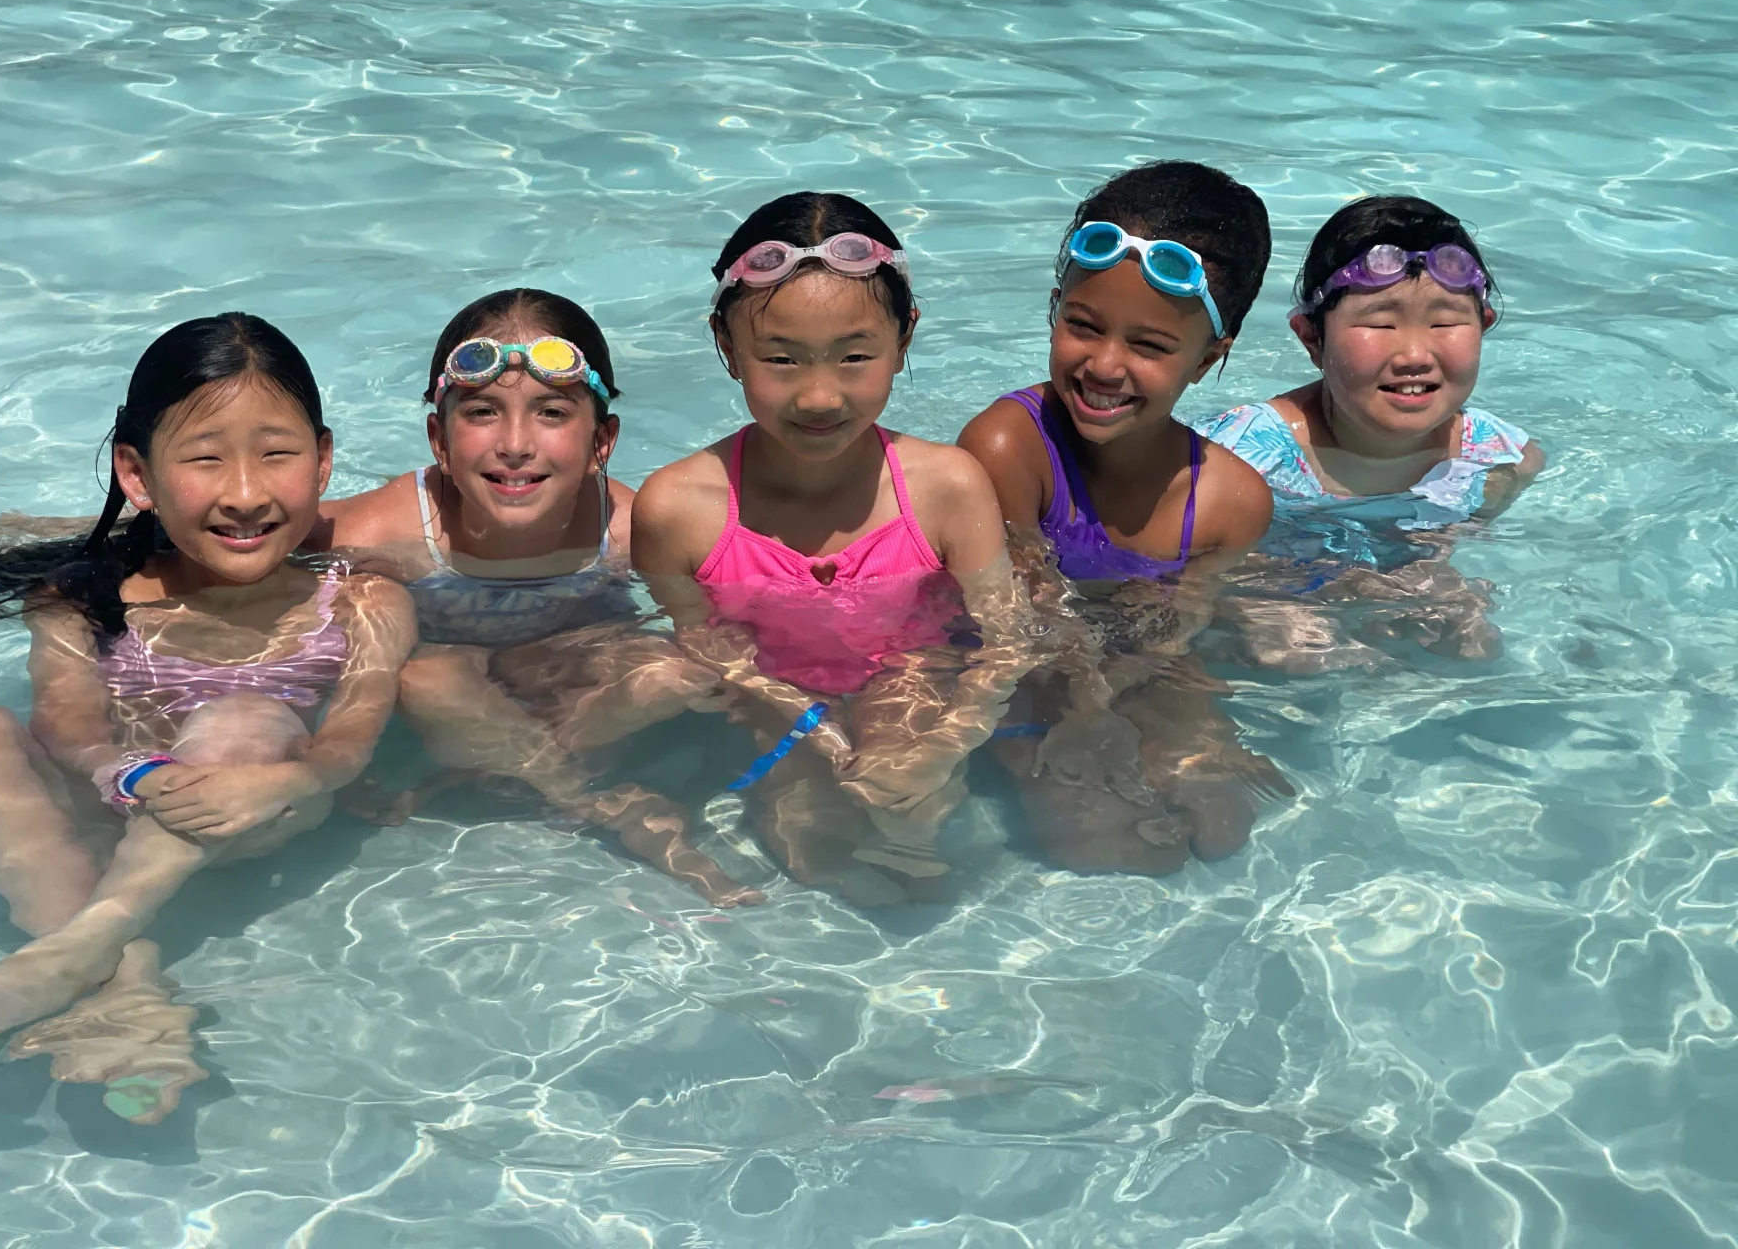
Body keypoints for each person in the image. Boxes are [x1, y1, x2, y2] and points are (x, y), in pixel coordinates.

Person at [0, 314, 416, 1124]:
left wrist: (288, 776)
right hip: (126, 797)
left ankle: (78, 949)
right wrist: (129, 773)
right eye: (205, 459)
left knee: (239, 714)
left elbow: (351, 740)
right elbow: (65, 728)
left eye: (277, 454)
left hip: (259, 805)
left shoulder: (360, 598)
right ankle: (128, 986)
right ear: (138, 475)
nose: (246, 493)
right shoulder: (82, 597)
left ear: (324, 461)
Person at [631, 192, 1032, 906]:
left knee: (916, 837)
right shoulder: (677, 509)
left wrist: (942, 745)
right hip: (778, 706)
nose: (820, 397)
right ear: (728, 350)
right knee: (813, 856)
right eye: (782, 359)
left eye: (854, 357)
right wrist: (806, 726)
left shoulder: (947, 486)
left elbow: (1008, 639)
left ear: (904, 340)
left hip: (911, 681)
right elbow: (707, 650)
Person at [314, 289, 756, 905]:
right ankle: (593, 801)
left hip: (580, 692)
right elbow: (256, 539)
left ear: (602, 441)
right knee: (424, 678)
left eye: (551, 413)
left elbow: (735, 621)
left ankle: (502, 775)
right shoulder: (381, 534)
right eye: (482, 412)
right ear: (439, 439)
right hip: (454, 697)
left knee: (674, 671)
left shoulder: (631, 533)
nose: (516, 443)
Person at [959, 161, 1288, 875]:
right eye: (1083, 325)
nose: (1105, 366)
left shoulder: (1231, 504)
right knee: (1110, 851)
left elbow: (1178, 627)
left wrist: (1135, 704)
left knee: (1224, 825)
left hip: (1136, 665)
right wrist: (1084, 716)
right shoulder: (1008, 449)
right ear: (1055, 310)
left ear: (1208, 358)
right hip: (1023, 670)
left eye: (1149, 345)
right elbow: (1012, 622)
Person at [1196, 194, 1543, 670]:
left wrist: (1427, 580)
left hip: (1370, 632)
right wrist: (1257, 601)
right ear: (1311, 339)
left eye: (1444, 322)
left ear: (1482, 326)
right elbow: (1173, 578)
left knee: (1473, 644)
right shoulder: (1234, 456)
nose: (1415, 354)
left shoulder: (1499, 460)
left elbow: (1436, 546)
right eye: (1381, 323)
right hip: (1255, 631)